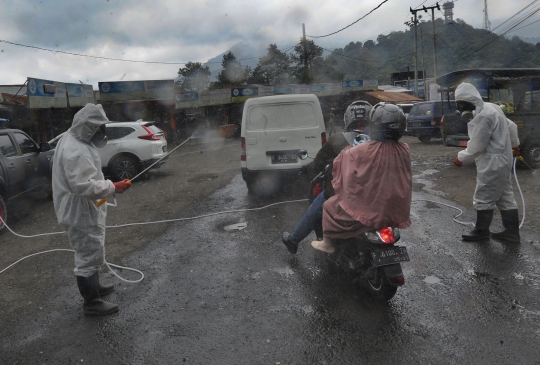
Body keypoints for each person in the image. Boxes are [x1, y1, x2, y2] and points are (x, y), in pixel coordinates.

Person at [52, 103, 132, 315]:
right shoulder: (75, 150)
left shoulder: (74, 138)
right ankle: (92, 303)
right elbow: (82, 185)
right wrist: (113, 186)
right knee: (87, 253)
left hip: (83, 207)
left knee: (93, 246)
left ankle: (95, 287)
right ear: (88, 128)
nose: (102, 133)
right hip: (79, 210)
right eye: (99, 129)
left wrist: (107, 187)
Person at [311, 102, 412, 253]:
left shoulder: (358, 150)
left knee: (328, 206)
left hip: (370, 208)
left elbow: (342, 171)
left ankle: (327, 244)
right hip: (396, 208)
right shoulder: (405, 149)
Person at [281, 101, 372, 254]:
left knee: (315, 209)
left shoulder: (337, 140)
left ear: (348, 119)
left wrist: (306, 170)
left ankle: (294, 240)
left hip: (344, 195)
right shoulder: (380, 142)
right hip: (374, 195)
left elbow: (317, 165)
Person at [453, 82, 521, 243]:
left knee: (483, 195)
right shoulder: (492, 107)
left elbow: (478, 146)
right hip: (503, 158)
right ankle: (511, 233)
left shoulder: (484, 116)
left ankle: (481, 231)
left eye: (462, 105)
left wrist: (461, 157)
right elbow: (512, 126)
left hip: (492, 161)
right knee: (505, 196)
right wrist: (515, 144)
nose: (462, 109)